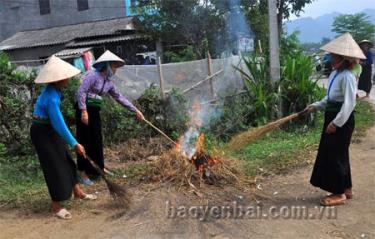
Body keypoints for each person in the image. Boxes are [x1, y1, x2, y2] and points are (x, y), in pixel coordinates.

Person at [31, 56, 97, 220]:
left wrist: (72, 144)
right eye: (65, 77)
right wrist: (75, 143)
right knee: (54, 166)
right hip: (42, 132)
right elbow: (59, 123)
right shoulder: (52, 97)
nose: (68, 80)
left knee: (67, 160)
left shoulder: (54, 91)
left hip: (49, 129)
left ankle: (77, 192)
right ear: (58, 79)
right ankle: (56, 205)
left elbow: (57, 124)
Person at [305, 33, 366, 206]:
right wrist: (316, 105)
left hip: (342, 120)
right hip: (333, 116)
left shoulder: (347, 76)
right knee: (341, 154)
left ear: (343, 59)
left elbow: (349, 103)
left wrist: (336, 123)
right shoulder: (335, 74)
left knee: (335, 155)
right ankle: (347, 188)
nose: (330, 59)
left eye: (333, 56)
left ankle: (339, 194)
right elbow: (330, 98)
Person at [75, 50, 144, 185]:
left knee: (97, 140)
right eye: (114, 66)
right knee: (85, 141)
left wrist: (135, 110)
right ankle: (82, 173)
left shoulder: (109, 83)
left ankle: (99, 168)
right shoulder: (92, 76)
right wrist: (83, 111)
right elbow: (81, 91)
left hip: (94, 111)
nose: (115, 70)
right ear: (106, 65)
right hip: (83, 110)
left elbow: (120, 98)